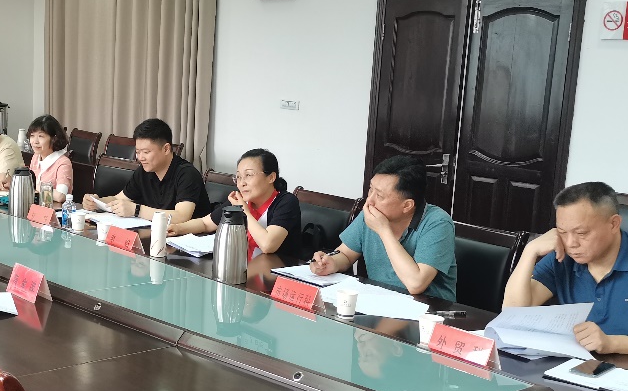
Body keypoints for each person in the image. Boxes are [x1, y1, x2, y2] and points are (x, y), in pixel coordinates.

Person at [503, 181, 628, 359]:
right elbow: (512, 315)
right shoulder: (562, 256)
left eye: (581, 233)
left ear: (613, 224)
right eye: (562, 232)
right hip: (577, 365)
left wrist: (611, 343)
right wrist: (530, 251)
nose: (571, 243)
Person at [309, 155, 458, 301]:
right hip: (379, 302)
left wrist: (384, 231)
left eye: (379, 196)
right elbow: (346, 254)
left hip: (428, 309)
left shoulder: (438, 223)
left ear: (407, 205)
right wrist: (331, 263)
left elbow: (416, 284)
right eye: (371, 189)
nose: (369, 200)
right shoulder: (372, 213)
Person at [168, 148, 303, 261]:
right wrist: (177, 228)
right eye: (238, 177)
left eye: (248, 175)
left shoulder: (286, 202)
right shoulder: (242, 199)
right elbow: (206, 223)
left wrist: (243, 209)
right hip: (243, 268)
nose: (242, 183)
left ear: (271, 177)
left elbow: (268, 245)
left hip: (274, 276)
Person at [82, 118, 209, 223]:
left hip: (186, 240)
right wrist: (97, 202)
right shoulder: (144, 171)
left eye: (146, 152)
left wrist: (136, 210)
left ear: (166, 149)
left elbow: (181, 216)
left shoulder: (187, 174)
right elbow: (119, 199)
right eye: (138, 152)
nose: (140, 158)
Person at [26, 115, 74, 204]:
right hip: (36, 206)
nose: (35, 141)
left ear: (54, 139)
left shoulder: (63, 163)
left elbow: (60, 196)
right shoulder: (36, 157)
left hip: (55, 209)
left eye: (41, 136)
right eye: (32, 136)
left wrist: (34, 185)